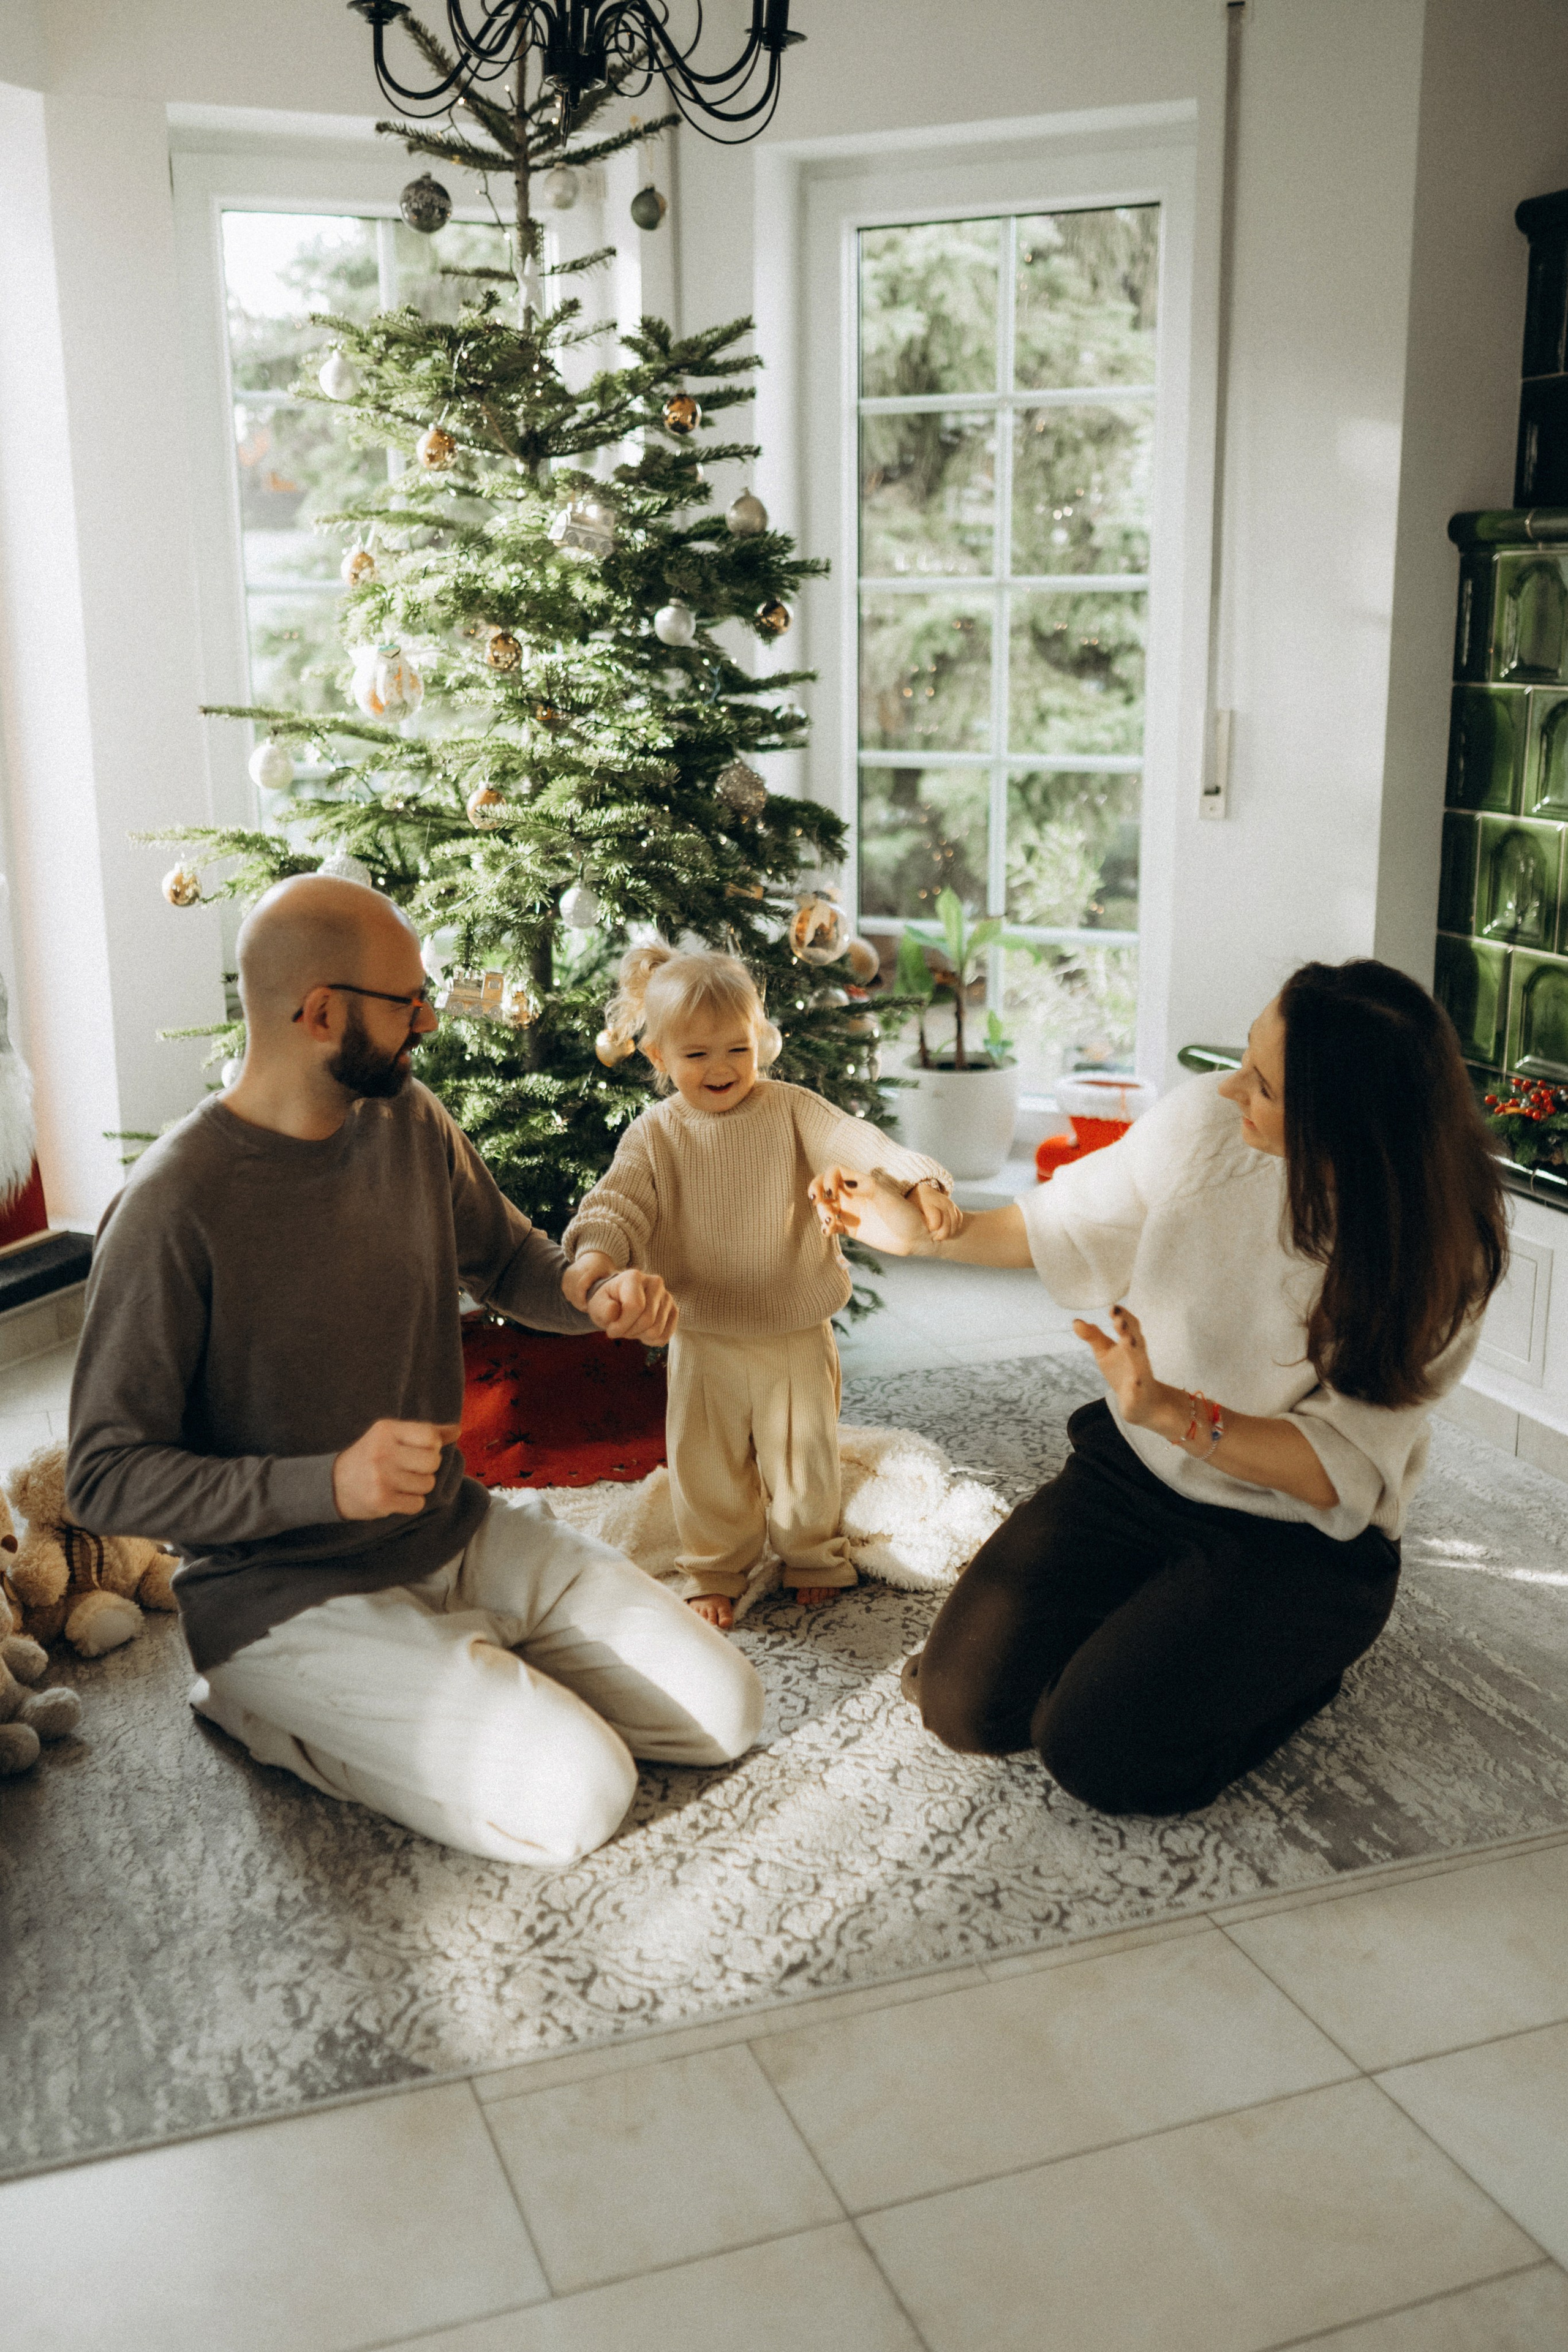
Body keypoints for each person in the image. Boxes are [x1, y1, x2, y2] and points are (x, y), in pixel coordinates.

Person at [66, 876, 764, 1864]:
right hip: (283, 1596)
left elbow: (510, 1261)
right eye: (406, 1001)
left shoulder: (408, 1120)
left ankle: (459, 1660)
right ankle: (257, 1704)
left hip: (453, 1529)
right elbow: (103, 1477)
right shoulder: (171, 1205)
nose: (430, 1019)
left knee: (728, 1711)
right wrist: (328, 1484)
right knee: (579, 1797)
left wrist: (593, 1295)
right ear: (320, 1013)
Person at [812, 959, 1507, 1815]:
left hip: (1295, 1536)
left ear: (1342, 1127)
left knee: (1096, 1753)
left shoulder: (1438, 1250)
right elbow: (1060, 1224)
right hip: (1135, 1474)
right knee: (963, 1708)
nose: (1231, 1088)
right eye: (1246, 1057)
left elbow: (1338, 1468)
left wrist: (1178, 1414)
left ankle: (1304, 1663)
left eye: (1264, 1086)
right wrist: (925, 1236)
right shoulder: (1207, 1124)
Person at [561, 943, 960, 1629]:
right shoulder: (654, 1136)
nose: (721, 1068)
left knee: (804, 1458)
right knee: (705, 1464)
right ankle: (715, 1566)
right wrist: (595, 1258)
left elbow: (858, 1142)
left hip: (793, 1332)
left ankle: (811, 1552)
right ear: (658, 1056)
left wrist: (919, 1179)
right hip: (702, 1337)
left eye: (737, 1049)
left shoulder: (791, 1111)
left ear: (761, 1040)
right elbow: (618, 1203)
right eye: (697, 1055)